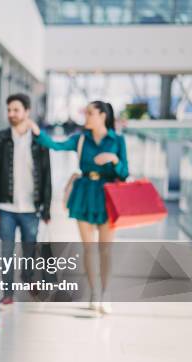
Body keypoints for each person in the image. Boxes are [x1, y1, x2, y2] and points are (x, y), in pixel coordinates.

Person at [32, 101, 129, 315]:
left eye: (90, 113)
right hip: (84, 194)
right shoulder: (81, 138)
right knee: (89, 248)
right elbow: (56, 145)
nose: (86, 116)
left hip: (108, 196)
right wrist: (38, 133)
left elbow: (124, 173)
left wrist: (114, 160)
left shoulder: (118, 140)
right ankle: (94, 293)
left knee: (105, 250)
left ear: (103, 116)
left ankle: (106, 293)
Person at [0, 93, 52, 305]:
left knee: (29, 248)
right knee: (6, 251)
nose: (11, 114)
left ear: (27, 112)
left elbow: (46, 174)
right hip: (5, 206)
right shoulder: (0, 138)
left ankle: (28, 276)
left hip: (31, 207)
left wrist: (47, 208)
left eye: (16, 110)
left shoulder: (39, 140)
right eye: (9, 110)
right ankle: (8, 292)